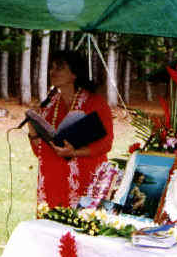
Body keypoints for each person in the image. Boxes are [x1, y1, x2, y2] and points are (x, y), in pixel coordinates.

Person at [28, 50, 114, 209]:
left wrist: (74, 153)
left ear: (74, 74)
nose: (53, 72)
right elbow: (40, 152)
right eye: (52, 67)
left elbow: (106, 144)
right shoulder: (49, 105)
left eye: (59, 68)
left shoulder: (95, 103)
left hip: (85, 179)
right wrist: (32, 129)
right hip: (53, 184)